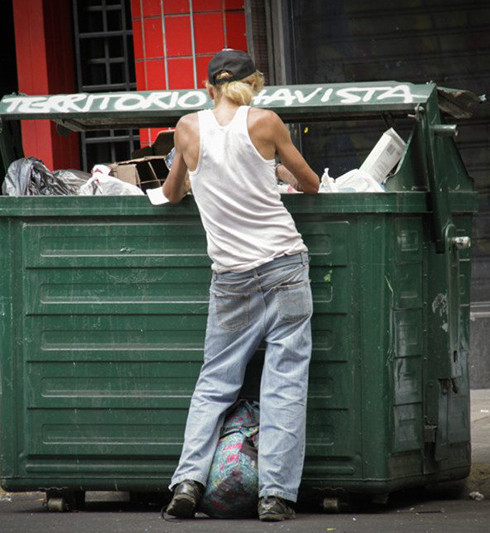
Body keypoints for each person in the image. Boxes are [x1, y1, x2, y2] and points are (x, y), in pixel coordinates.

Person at [156, 49, 319, 522]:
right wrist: (276, 171)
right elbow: (310, 184)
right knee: (283, 383)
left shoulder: (187, 128)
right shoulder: (266, 122)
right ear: (255, 84)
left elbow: (171, 193)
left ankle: (188, 482)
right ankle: (275, 496)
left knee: (215, 382)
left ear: (209, 89)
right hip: (283, 266)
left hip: (229, 276)